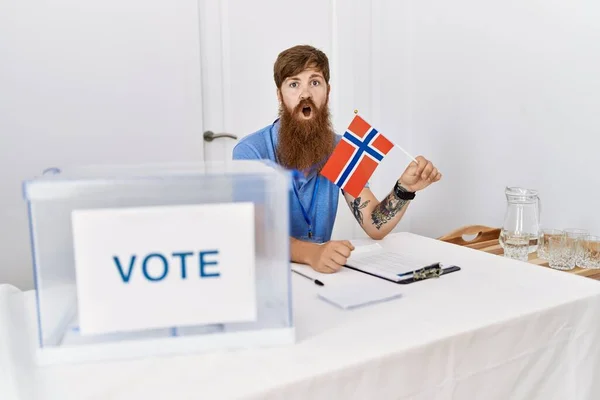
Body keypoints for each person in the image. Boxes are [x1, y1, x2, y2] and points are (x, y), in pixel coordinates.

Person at [232, 45, 441, 273]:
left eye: (314, 82)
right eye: (294, 84)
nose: (305, 94)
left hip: (322, 273)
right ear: (279, 95)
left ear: (327, 92)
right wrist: (313, 253)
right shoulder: (251, 151)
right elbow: (256, 233)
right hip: (266, 273)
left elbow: (374, 224)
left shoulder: (341, 149)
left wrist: (404, 189)